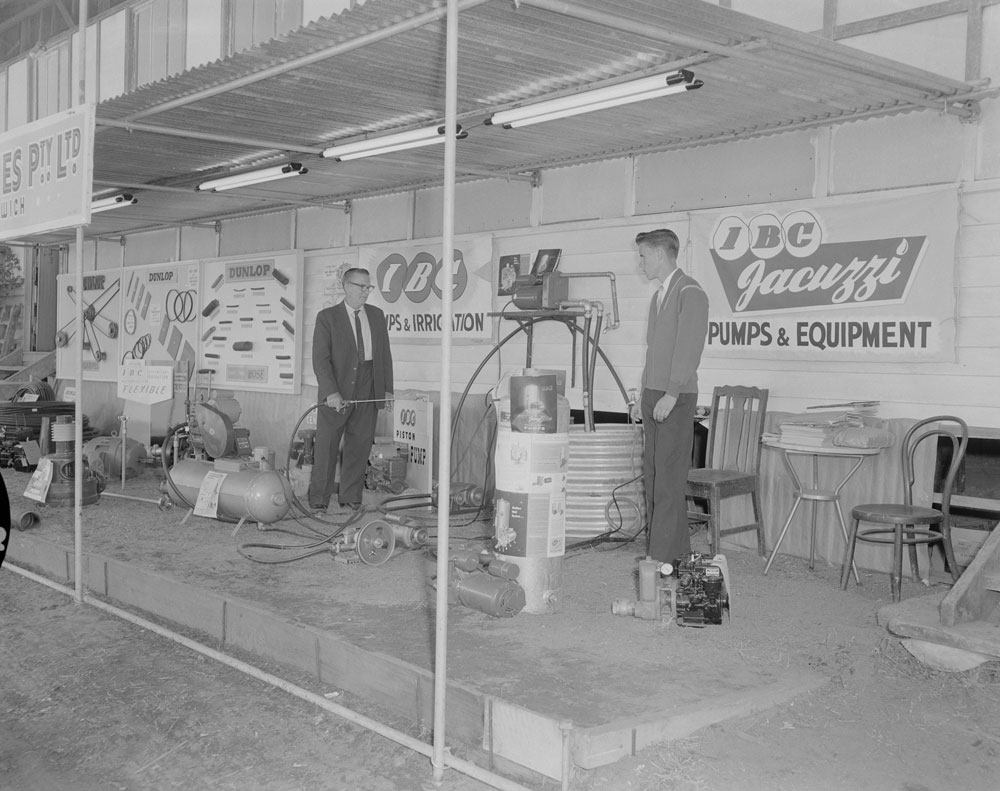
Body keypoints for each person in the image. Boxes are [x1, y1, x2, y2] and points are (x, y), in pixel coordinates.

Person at [630, 228, 709, 563]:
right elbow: (654, 352)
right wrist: (642, 395)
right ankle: (675, 553)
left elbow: (688, 349)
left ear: (660, 254)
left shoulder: (690, 292)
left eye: (643, 255)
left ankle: (659, 556)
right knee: (654, 475)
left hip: (674, 398)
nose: (641, 262)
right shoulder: (659, 296)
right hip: (652, 394)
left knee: (669, 477)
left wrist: (672, 393)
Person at [309, 268, 393, 513]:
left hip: (369, 385)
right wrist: (331, 392)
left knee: (360, 444)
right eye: (361, 287)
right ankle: (319, 500)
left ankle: (350, 498)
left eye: (369, 287)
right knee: (327, 445)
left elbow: (384, 355)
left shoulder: (377, 316)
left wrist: (387, 389)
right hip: (338, 386)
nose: (366, 292)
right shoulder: (327, 317)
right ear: (346, 286)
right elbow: (320, 359)